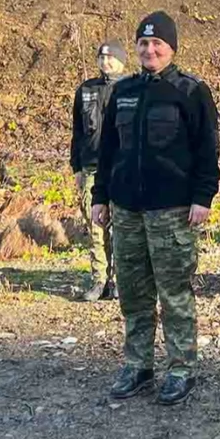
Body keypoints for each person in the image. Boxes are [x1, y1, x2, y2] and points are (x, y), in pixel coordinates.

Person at [92, 11, 219, 406]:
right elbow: (107, 149)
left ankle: (181, 369)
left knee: (174, 292)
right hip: (127, 208)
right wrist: (100, 196)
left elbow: (207, 150)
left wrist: (203, 197)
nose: (149, 50)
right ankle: (138, 365)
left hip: (173, 210)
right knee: (133, 291)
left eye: (157, 44)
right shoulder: (123, 91)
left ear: (171, 48)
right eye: (143, 44)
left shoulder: (191, 91)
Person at [70, 41, 126, 301]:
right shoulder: (86, 90)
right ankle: (99, 280)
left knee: (121, 227)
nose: (105, 62)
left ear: (122, 61)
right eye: (101, 58)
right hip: (91, 166)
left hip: (121, 168)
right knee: (95, 226)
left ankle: (118, 281)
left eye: (110, 58)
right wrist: (77, 167)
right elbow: (77, 132)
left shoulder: (131, 88)